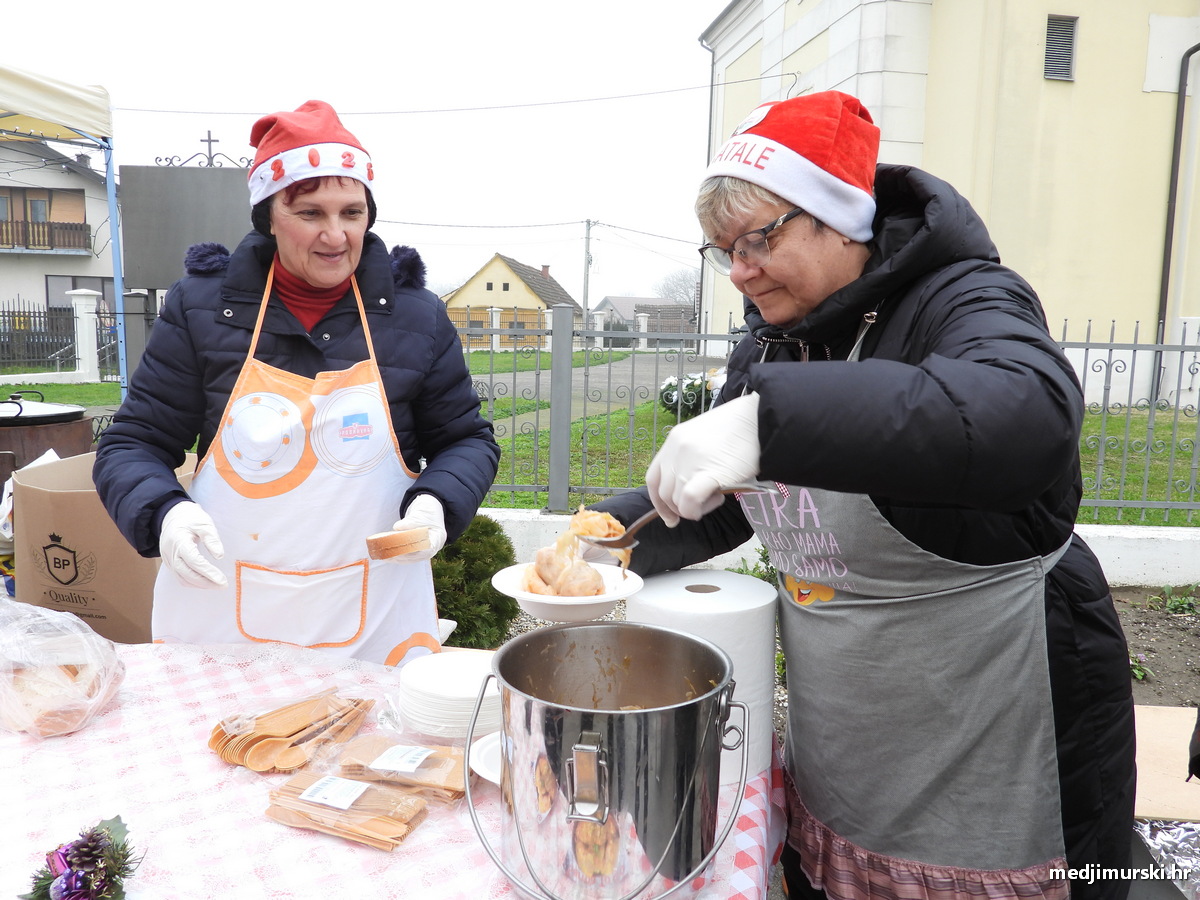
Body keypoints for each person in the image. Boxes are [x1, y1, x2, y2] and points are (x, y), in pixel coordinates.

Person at [590, 91, 1135, 899]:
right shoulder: (773, 339)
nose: (739, 271)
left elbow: (1025, 417)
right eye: (722, 251)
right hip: (849, 735)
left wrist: (771, 420)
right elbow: (744, 500)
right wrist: (621, 535)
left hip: (999, 721)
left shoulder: (966, 298)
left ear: (839, 218)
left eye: (757, 241)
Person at [93, 100, 499, 667]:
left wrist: (437, 504)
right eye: (310, 213)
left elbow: (466, 440)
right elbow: (131, 443)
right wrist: (164, 513)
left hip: (374, 621)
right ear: (268, 215)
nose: (336, 236)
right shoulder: (202, 310)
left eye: (352, 212)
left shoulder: (416, 318)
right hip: (223, 620)